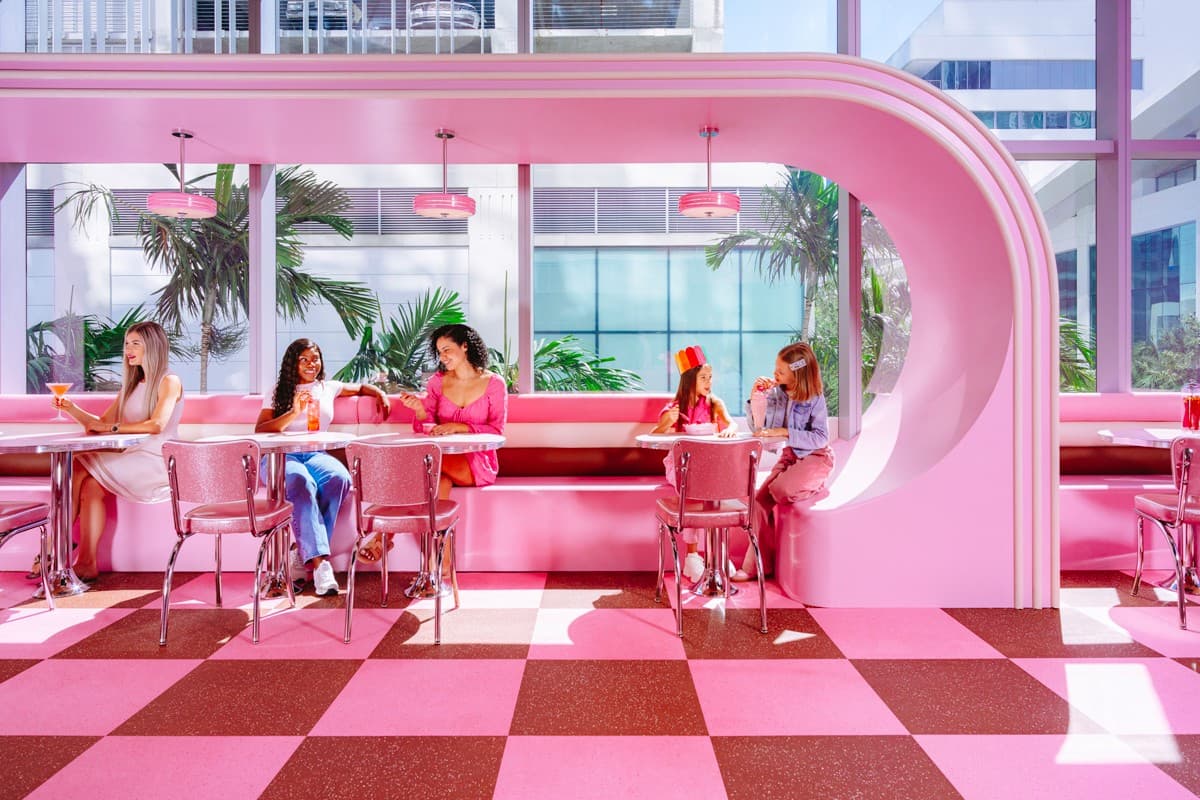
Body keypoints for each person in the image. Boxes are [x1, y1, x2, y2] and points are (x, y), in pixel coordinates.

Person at [41, 321, 184, 582]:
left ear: (152, 347)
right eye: (127, 343)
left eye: (135, 343)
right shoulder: (130, 386)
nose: (128, 349)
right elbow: (99, 427)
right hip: (132, 458)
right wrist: (72, 408)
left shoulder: (169, 380)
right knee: (89, 487)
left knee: (81, 465)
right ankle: (85, 563)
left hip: (156, 462)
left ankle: (51, 548)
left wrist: (112, 426)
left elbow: (157, 424)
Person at [358, 323, 507, 564]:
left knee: (421, 468)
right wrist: (418, 410)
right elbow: (426, 427)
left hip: (478, 463)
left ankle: (383, 535)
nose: (443, 356)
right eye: (439, 352)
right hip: (440, 463)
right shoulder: (437, 382)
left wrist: (459, 427)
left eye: (447, 349)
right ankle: (440, 560)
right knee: (437, 479)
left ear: (465, 346)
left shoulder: (494, 384)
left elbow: (497, 429)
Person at [256, 337, 390, 596]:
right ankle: (321, 565)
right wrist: (294, 413)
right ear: (292, 364)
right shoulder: (278, 390)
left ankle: (301, 554)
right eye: (303, 359)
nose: (310, 364)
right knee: (299, 482)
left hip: (316, 454)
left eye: (314, 358)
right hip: (279, 457)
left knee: (339, 479)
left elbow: (360, 387)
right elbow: (260, 429)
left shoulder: (328, 387)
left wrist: (379, 392)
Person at [732, 340, 834, 581]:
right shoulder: (776, 394)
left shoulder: (814, 398)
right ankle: (757, 566)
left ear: (797, 373)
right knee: (758, 502)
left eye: (781, 370)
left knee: (781, 489)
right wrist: (756, 398)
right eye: (775, 368)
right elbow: (761, 429)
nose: (774, 373)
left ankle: (812, 482)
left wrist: (786, 432)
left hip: (816, 457)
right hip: (791, 457)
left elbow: (821, 438)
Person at [651, 345, 738, 582]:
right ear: (690, 379)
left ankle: (715, 555)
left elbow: (732, 424)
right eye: (703, 378)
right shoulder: (674, 409)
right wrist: (663, 424)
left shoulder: (714, 404)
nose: (709, 382)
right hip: (680, 468)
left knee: (712, 487)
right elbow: (653, 436)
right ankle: (692, 557)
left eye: (710, 378)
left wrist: (729, 430)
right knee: (695, 490)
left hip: (710, 466)